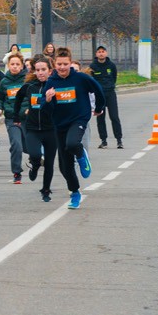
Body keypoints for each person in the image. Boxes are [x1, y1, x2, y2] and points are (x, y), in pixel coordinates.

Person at [44, 47, 105, 211]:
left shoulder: (81, 78)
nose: (62, 67)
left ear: (70, 63)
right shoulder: (51, 82)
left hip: (78, 119)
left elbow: (98, 90)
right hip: (59, 124)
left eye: (65, 64)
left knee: (72, 144)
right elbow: (44, 108)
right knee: (64, 166)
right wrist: (48, 100)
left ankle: (81, 154)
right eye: (59, 64)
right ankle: (75, 192)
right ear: (54, 64)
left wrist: (99, 107)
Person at [12, 56, 55, 202]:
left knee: (49, 162)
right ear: (34, 71)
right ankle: (35, 166)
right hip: (33, 128)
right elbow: (18, 98)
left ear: (50, 71)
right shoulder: (29, 87)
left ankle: (46, 189)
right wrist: (16, 117)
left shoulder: (55, 86)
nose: (41, 73)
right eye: (38, 70)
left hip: (51, 129)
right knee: (35, 154)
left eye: (44, 70)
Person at [0, 53, 29, 184]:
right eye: (12, 64)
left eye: (17, 64)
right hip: (12, 118)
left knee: (28, 147)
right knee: (16, 144)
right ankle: (17, 172)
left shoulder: (27, 80)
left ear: (22, 66)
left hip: (27, 117)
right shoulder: (4, 82)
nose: (15, 67)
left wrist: (31, 108)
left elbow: (33, 95)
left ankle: (35, 160)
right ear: (8, 66)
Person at [88, 45, 123, 149]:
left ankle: (119, 140)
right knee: (100, 118)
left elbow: (114, 77)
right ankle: (103, 141)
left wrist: (110, 86)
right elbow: (91, 80)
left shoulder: (111, 65)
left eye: (103, 51)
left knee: (114, 117)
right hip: (99, 95)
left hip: (110, 93)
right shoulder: (93, 66)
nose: (101, 53)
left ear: (106, 53)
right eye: (99, 52)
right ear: (96, 54)